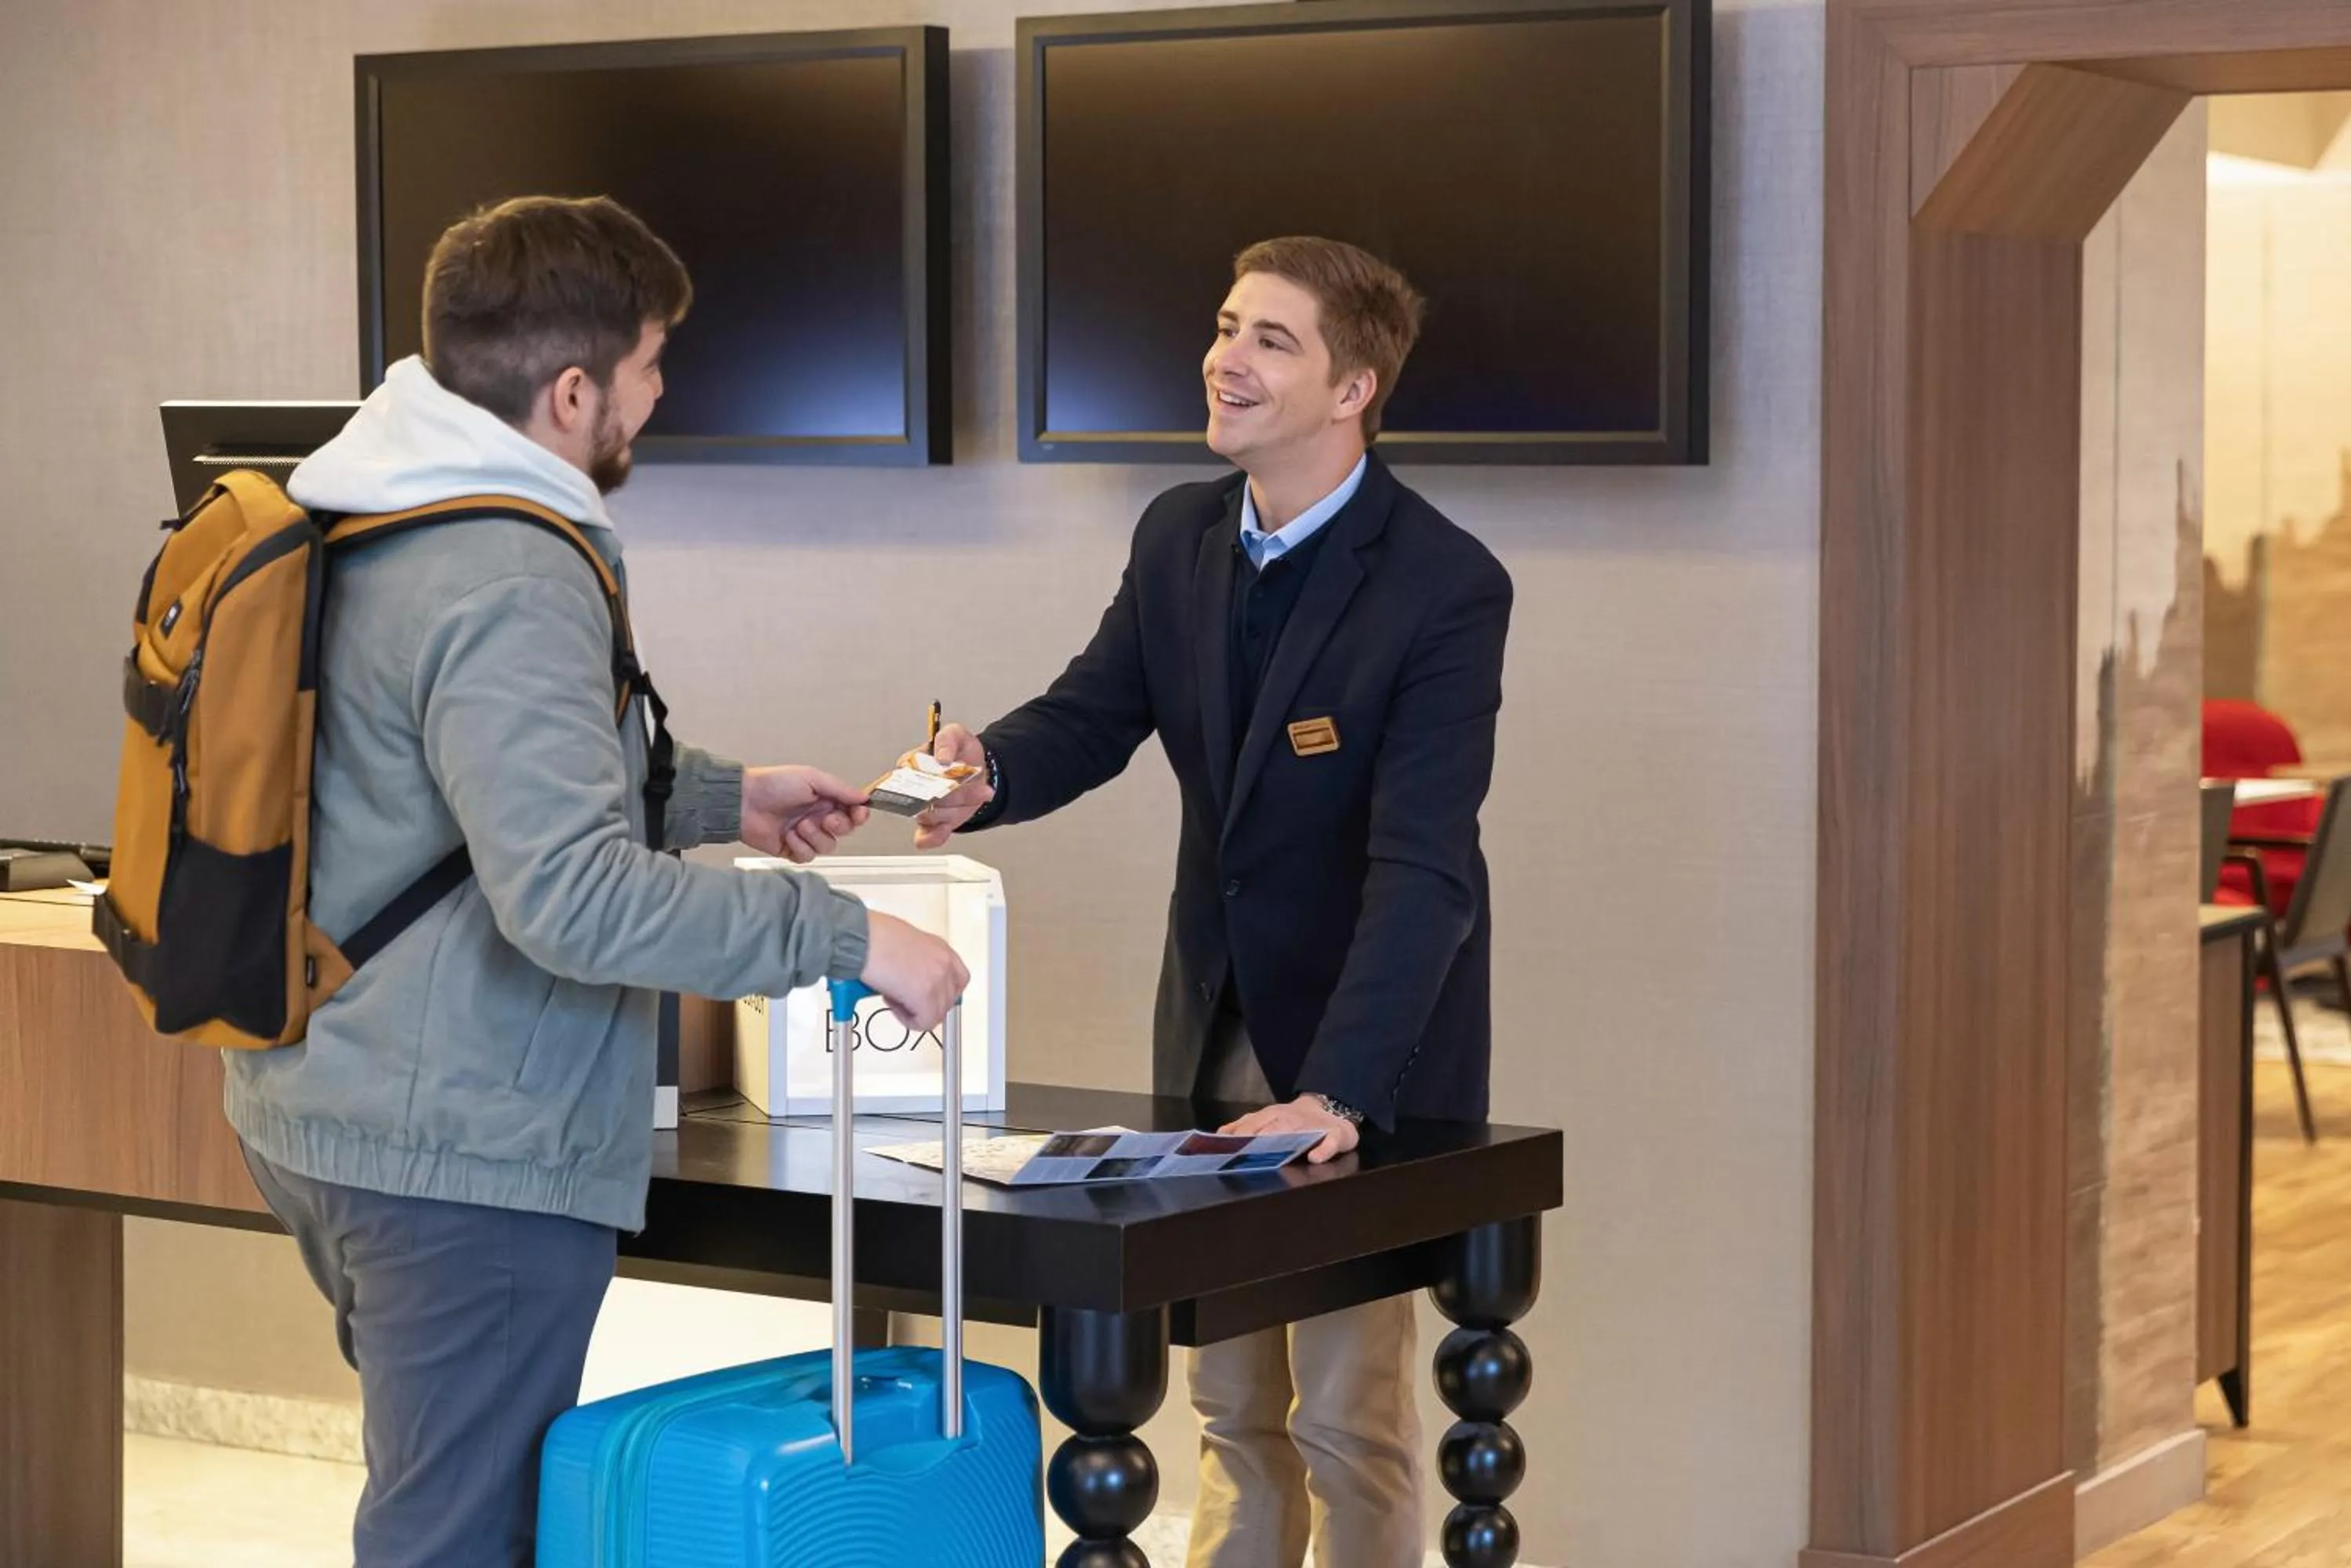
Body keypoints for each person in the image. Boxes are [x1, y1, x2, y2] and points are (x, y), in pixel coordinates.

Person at [222, 194, 967, 1568]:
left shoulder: (374, 503)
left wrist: (719, 798)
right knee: (467, 1535)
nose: (660, 393)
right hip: (462, 1148)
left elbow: (421, 785)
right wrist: (854, 932)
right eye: (647, 367)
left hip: (330, 1096)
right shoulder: (506, 568)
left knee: (440, 1497)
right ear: (572, 392)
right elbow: (572, 899)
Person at [920, 236, 1512, 1568]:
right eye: (1225, 325)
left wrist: (1344, 1094)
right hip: (1209, 1035)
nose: (1225, 359)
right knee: (1233, 1408)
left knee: (1349, 1422)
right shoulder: (1179, 531)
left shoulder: (1444, 583)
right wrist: (989, 769)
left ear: (1354, 385)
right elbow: (1095, 711)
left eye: (1270, 340)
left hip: (1369, 1052)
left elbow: (1424, 866)